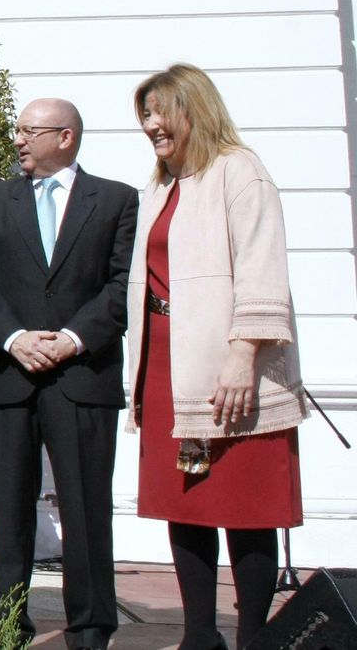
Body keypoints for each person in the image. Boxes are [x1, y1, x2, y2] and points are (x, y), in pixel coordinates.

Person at [128, 65, 308, 650]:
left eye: (161, 112)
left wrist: (242, 355)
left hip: (229, 365)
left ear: (194, 110)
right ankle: (200, 634)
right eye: (146, 115)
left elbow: (263, 268)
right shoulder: (159, 185)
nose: (152, 125)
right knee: (188, 501)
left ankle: (253, 637)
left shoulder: (240, 172)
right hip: (165, 364)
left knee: (245, 504)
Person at [0, 97, 139, 650]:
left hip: (81, 375)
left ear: (65, 136)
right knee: (8, 510)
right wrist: (16, 339)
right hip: (8, 376)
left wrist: (71, 339)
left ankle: (89, 628)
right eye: (17, 130)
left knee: (85, 509)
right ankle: (8, 624)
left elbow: (121, 286)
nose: (17, 139)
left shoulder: (116, 200)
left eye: (28, 131)